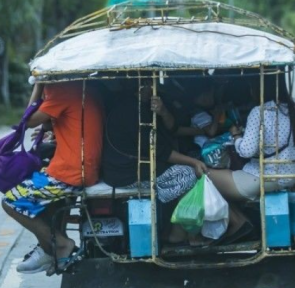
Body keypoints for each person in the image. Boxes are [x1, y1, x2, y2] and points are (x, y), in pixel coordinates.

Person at [2, 81, 103, 275]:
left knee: (10, 201)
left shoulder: (62, 91)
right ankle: (48, 246)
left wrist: (37, 87)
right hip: (86, 169)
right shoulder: (84, 89)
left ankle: (59, 244)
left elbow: (28, 120)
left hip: (69, 173)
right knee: (42, 197)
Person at [102, 81, 206, 245]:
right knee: (187, 174)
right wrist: (194, 162)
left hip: (136, 164)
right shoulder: (130, 111)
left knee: (180, 171)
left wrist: (163, 111)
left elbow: (172, 129)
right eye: (152, 85)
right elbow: (161, 151)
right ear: (143, 87)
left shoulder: (145, 106)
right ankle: (180, 233)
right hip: (125, 172)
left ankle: (174, 230)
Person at [207, 74, 295, 243]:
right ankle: (242, 221)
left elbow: (247, 150)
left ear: (259, 88)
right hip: (289, 176)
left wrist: (236, 135)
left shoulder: (260, 111)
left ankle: (239, 221)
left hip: (262, 178)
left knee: (204, 175)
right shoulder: (292, 109)